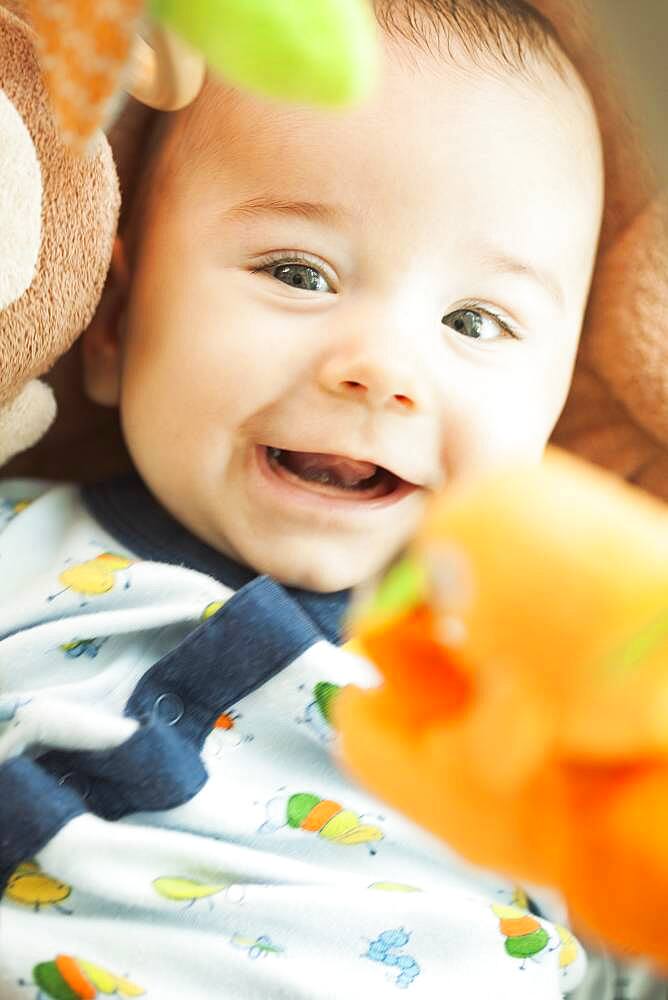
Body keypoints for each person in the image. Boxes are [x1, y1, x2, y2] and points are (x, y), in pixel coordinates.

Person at [0, 1, 604, 997]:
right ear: (112, 321)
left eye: (474, 320)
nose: (380, 369)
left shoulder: (554, 675)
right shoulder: (21, 544)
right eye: (297, 271)